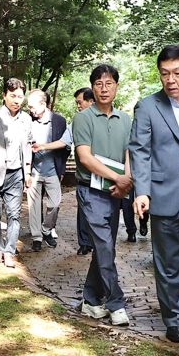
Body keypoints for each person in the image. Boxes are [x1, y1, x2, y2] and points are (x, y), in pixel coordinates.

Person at [131, 45, 179, 344]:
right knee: (169, 264)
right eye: (165, 73)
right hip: (164, 196)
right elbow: (140, 151)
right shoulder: (149, 106)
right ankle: (174, 318)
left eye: (177, 72)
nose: (171, 79)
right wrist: (142, 191)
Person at [73, 64, 133, 326]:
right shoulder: (83, 118)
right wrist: (117, 177)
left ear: (116, 87)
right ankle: (115, 301)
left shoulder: (126, 119)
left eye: (109, 83)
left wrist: (126, 180)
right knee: (105, 246)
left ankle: (89, 300)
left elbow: (131, 153)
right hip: (91, 192)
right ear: (93, 87)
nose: (104, 88)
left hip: (116, 192)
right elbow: (84, 157)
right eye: (98, 83)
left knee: (103, 248)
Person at [0, 77, 32, 268]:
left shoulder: (26, 119)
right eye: (13, 96)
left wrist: (28, 172)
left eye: (20, 96)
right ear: (4, 95)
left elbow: (27, 146)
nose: (17, 100)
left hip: (16, 173)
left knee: (14, 214)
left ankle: (9, 251)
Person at [26, 89, 70, 251]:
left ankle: (46, 230)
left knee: (55, 204)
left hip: (53, 171)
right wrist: (26, 172)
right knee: (33, 207)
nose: (30, 110)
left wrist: (62, 170)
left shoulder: (59, 121)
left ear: (43, 104)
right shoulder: (28, 121)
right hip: (33, 172)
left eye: (32, 107)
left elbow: (65, 146)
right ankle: (36, 237)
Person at [74, 87, 95, 255]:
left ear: (91, 102)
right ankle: (84, 243)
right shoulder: (77, 121)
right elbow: (65, 141)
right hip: (85, 178)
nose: (78, 106)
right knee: (83, 212)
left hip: (103, 177)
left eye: (80, 103)